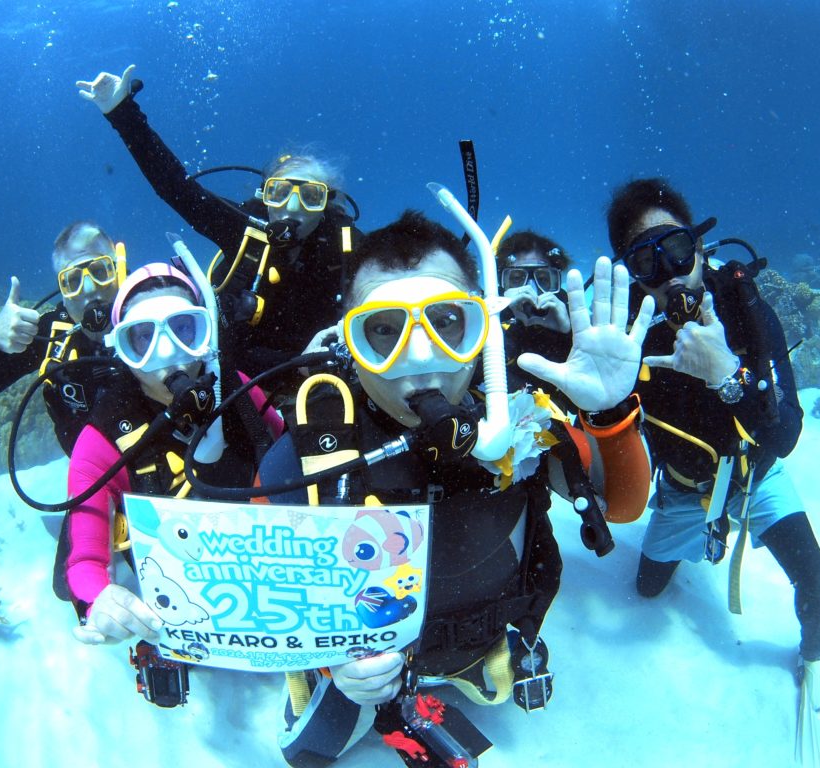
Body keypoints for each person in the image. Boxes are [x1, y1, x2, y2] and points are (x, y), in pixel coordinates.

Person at [257, 211, 654, 766]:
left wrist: (609, 414)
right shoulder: (315, 452)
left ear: (482, 328)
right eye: (383, 331)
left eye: (447, 322)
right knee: (307, 755)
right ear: (349, 341)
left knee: (494, 689)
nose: (421, 358)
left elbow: (623, 505)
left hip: (479, 641)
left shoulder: (521, 421)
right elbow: (265, 583)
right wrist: (331, 660)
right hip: (365, 666)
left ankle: (465, 670)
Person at [606, 177, 820, 763]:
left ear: (699, 247)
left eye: (676, 250)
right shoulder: (624, 332)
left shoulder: (744, 306)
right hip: (683, 489)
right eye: (645, 261)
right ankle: (703, 538)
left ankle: (813, 657)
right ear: (631, 274)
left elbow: (785, 436)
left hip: (754, 475)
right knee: (646, 590)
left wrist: (727, 376)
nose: (669, 275)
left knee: (815, 582)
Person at [76, 65, 360, 382]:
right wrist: (123, 113)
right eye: (279, 193)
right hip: (242, 381)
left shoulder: (347, 246)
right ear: (265, 197)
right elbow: (175, 188)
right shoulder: (244, 230)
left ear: (326, 203)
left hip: (327, 375)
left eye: (310, 196)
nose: (292, 207)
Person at [62, 262, 270, 642]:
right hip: (179, 598)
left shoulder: (238, 391)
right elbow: (85, 562)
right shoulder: (102, 440)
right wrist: (99, 602)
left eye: (184, 328)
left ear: (206, 332)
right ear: (122, 349)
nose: (168, 352)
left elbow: (294, 458)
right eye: (143, 337)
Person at [0, 221, 128, 455]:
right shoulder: (54, 335)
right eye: (73, 281)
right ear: (62, 291)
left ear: (119, 269)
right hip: (93, 474)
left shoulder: (156, 313)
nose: (90, 289)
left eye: (100, 271)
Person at [496, 230, 573, 395]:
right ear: (502, 282)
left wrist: (568, 334)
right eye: (517, 278)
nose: (530, 289)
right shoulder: (490, 313)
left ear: (556, 281)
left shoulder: (568, 316)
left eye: (543, 279)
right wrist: (497, 318)